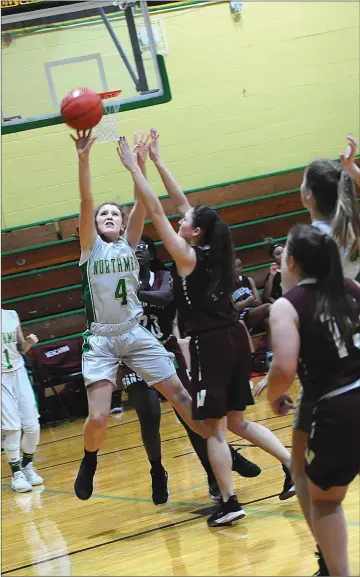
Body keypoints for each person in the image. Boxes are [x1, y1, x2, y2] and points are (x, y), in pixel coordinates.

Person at [118, 131, 295, 527]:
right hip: (234, 336)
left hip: (211, 345)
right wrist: (160, 162)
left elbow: (160, 213)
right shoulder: (215, 244)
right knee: (236, 422)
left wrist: (135, 168)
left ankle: (230, 502)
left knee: (214, 430)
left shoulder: (185, 257)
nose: (184, 219)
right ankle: (292, 465)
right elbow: (182, 205)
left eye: (188, 222)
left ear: (194, 233)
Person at [71, 130, 209, 501]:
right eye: (105, 214)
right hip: (100, 339)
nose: (111, 216)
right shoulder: (89, 250)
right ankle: (89, 460)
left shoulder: (130, 245)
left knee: (181, 395)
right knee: (98, 417)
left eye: (115, 213)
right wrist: (84, 159)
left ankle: (223, 451)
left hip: (134, 332)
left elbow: (142, 204)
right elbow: (86, 200)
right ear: (96, 226)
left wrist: (141, 165)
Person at [256, 134, 360, 574]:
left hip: (325, 357)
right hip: (346, 338)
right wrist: (352, 175)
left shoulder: (311, 242)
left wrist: (275, 381)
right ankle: (327, 554)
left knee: (321, 490)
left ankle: (329, 557)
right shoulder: (349, 231)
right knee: (301, 463)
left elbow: (286, 354)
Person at [120, 236, 261, 505]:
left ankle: (214, 473)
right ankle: (157, 470)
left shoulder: (162, 276)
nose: (137, 252)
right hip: (132, 354)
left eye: (141, 248)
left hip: (165, 349)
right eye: (131, 249)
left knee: (190, 413)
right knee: (149, 415)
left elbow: (163, 298)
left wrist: (131, 293)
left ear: (151, 253)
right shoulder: (119, 279)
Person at [1, 309, 43, 493]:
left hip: (19, 374)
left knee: (32, 426)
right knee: (12, 428)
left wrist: (28, 342)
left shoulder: (11, 315)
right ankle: (16, 474)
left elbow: (20, 349)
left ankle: (27, 465)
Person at [232, 257, 270, 333]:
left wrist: (243, 303)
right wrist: (249, 300)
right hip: (241, 317)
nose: (240, 268)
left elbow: (259, 302)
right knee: (268, 307)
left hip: (254, 313)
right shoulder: (226, 286)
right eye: (236, 266)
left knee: (268, 321)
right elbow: (234, 308)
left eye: (240, 265)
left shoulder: (249, 280)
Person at [263, 240, 284, 304]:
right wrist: (271, 276)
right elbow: (266, 297)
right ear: (273, 258)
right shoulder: (272, 274)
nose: (282, 255)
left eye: (284, 252)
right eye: (278, 254)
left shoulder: (295, 268)